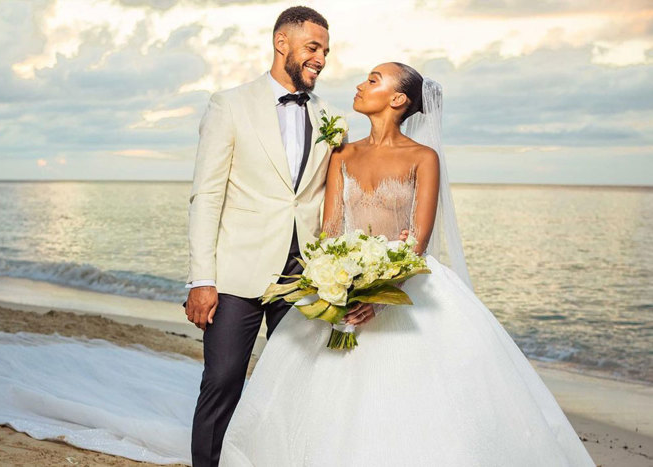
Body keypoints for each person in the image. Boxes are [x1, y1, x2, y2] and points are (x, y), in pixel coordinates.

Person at [217, 62, 597, 466]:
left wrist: (379, 298)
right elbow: (330, 229)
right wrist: (335, 283)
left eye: (373, 80)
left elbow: (418, 239)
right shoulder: (342, 152)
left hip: (403, 287)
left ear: (398, 99)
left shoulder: (423, 157)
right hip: (342, 290)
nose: (361, 85)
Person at [183, 6, 336, 467]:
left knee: (293, 386)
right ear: (281, 43)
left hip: (303, 277)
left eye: (326, 51)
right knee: (224, 379)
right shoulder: (229, 104)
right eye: (313, 48)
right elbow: (206, 197)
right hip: (236, 274)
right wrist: (200, 279)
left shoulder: (330, 116)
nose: (321, 59)